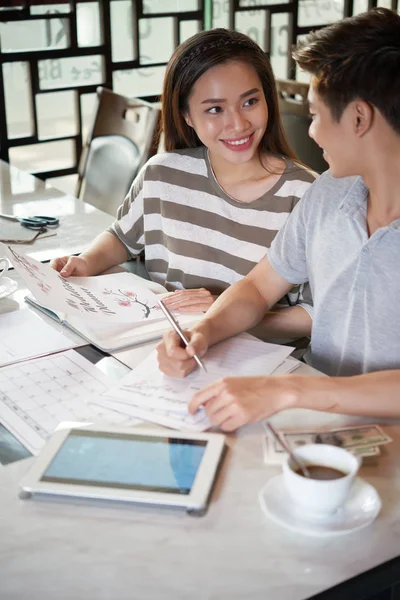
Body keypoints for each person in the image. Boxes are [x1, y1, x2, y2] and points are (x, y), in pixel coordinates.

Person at [157, 7, 400, 429]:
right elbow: (257, 286)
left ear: (359, 118)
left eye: (317, 114)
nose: (311, 132)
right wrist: (206, 331)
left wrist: (290, 391)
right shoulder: (330, 193)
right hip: (317, 421)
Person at [50, 28, 315, 338]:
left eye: (250, 102)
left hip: (261, 367)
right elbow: (122, 238)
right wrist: (85, 263)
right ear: (186, 115)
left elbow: (313, 314)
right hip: (164, 347)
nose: (238, 123)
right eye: (215, 109)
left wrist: (223, 317)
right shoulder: (163, 175)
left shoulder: (305, 196)